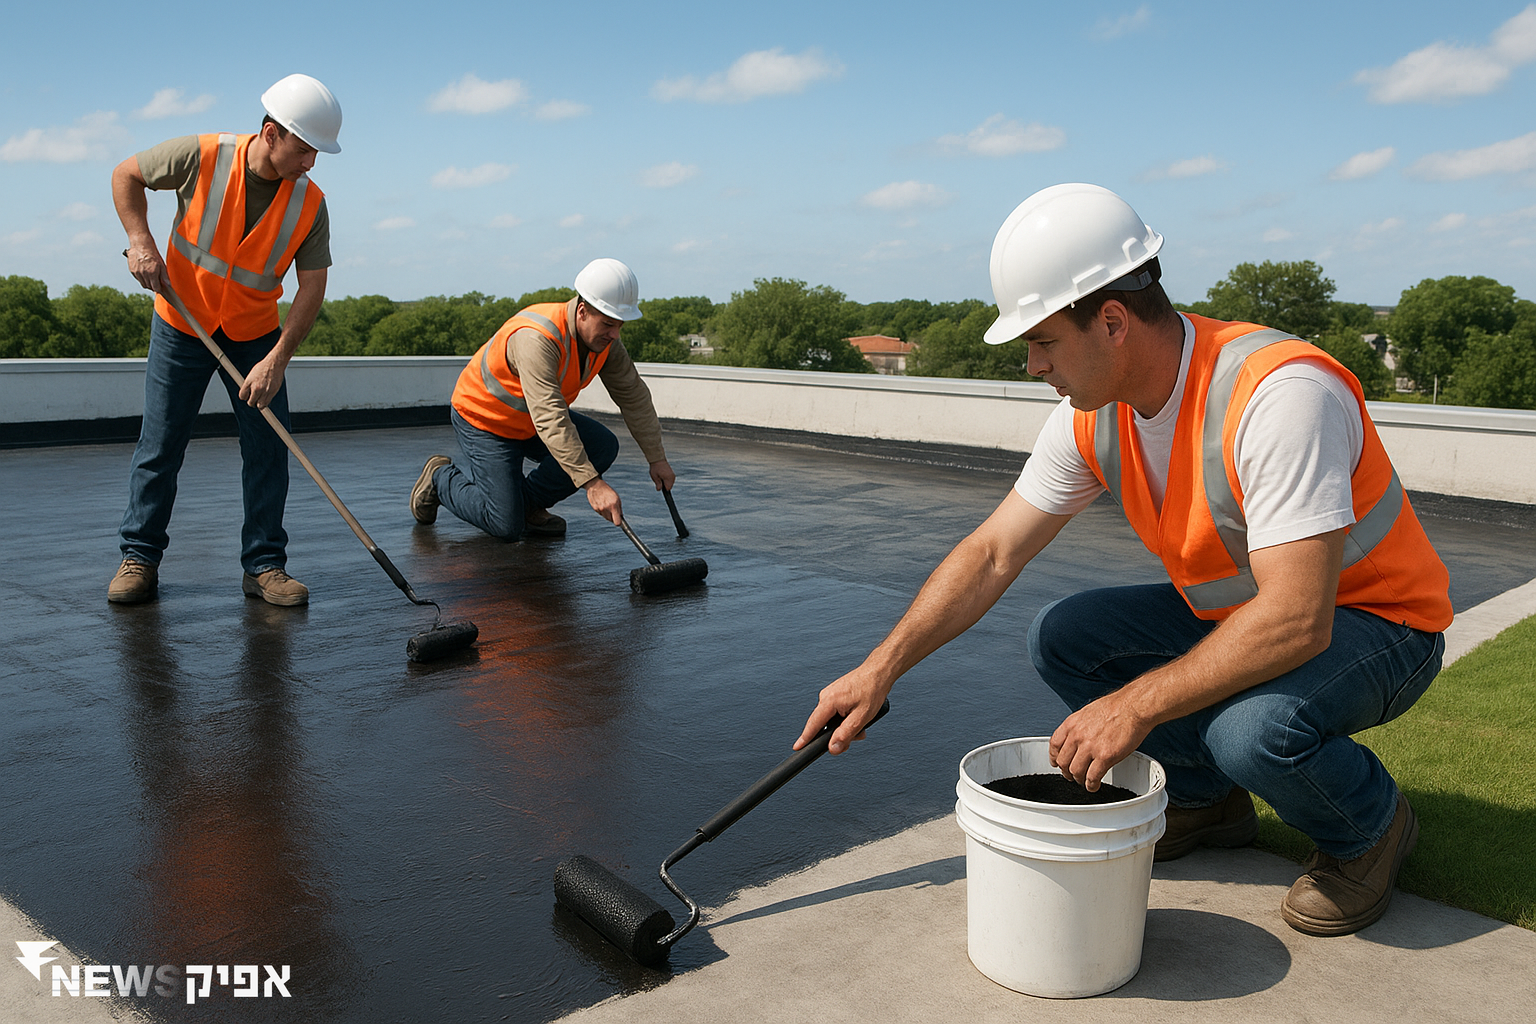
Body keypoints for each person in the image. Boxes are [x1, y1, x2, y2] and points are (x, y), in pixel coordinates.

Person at [796, 183, 1452, 938]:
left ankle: (1370, 827)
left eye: (1042, 341)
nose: (1034, 365)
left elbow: (1299, 621)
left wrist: (1135, 704)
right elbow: (992, 552)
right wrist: (881, 668)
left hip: (1380, 625)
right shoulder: (1094, 413)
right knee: (1065, 634)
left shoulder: (1277, 395)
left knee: (1252, 733)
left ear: (1111, 322)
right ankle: (1208, 800)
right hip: (1250, 613)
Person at [107, 73, 343, 607]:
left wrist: (277, 360)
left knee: (268, 449)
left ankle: (264, 566)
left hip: (255, 335)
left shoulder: (311, 203)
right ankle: (138, 557)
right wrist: (140, 241)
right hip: (181, 321)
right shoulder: (202, 155)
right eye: (305, 149)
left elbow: (313, 286)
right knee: (161, 444)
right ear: (271, 133)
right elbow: (126, 174)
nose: (311, 162)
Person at [411, 258, 676, 540]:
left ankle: (525, 506)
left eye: (620, 325)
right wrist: (592, 483)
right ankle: (440, 479)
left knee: (601, 446)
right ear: (583, 311)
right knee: (505, 526)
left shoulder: (604, 343)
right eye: (609, 324)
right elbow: (550, 417)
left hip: (529, 420)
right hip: (485, 420)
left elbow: (633, 396)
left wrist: (656, 458)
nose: (615, 334)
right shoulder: (538, 338)